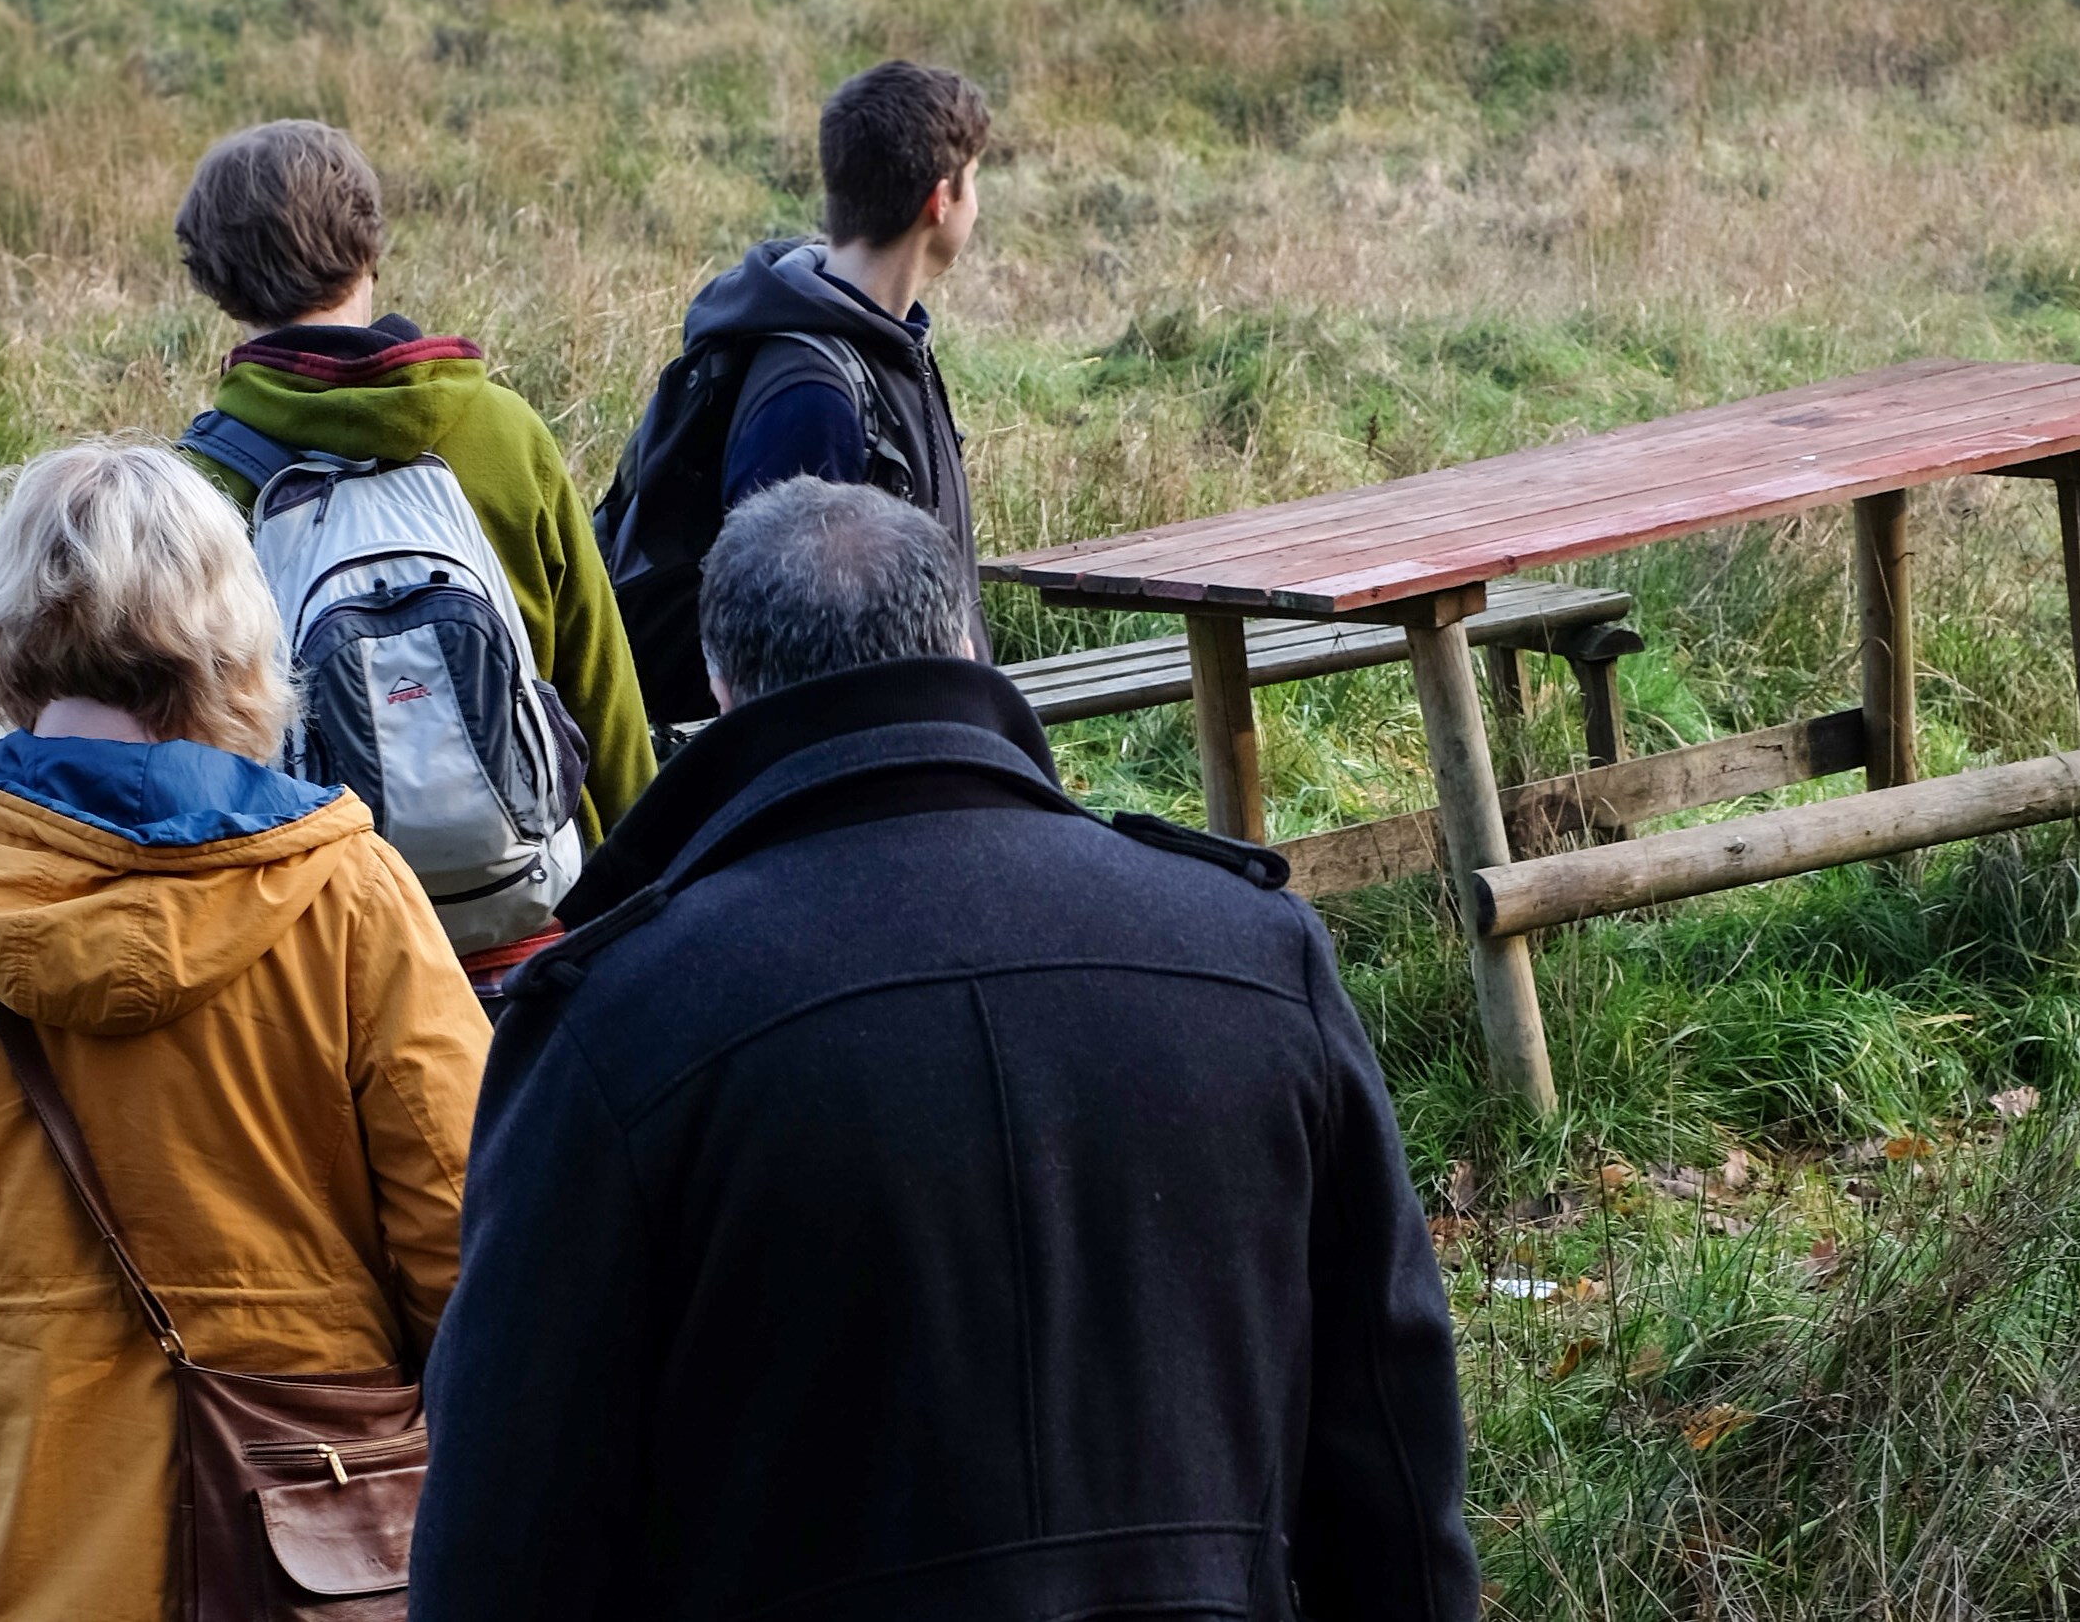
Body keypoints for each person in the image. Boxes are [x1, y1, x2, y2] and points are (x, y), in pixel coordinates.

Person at [413, 479, 1480, 1620]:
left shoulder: (613, 1026)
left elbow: (504, 1538)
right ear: (967, 641)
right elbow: (1395, 1459)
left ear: (722, 688)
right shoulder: (1254, 954)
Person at [0, 441, 490, 1621]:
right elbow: (475, 1241)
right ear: (236, 643)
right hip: (308, 1550)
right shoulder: (350, 893)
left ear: (1, 632)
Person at [174, 118, 654, 988]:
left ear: (217, 284)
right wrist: (653, 881)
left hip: (327, 951)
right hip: (539, 922)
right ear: (370, 249)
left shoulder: (198, 486)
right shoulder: (503, 431)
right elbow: (601, 685)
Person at [592, 61, 994, 724]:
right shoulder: (812, 396)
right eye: (975, 178)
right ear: (941, 198)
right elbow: (781, 659)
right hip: (859, 769)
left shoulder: (885, 340)